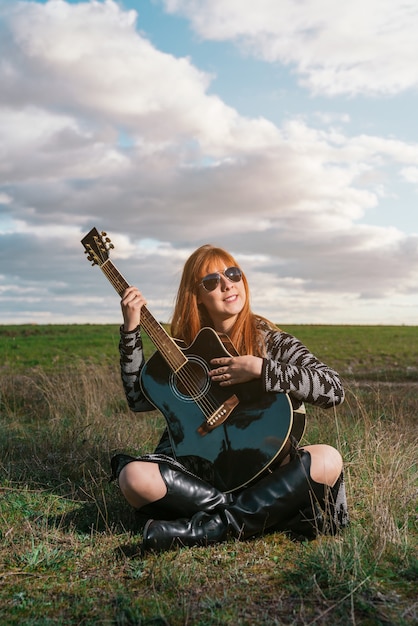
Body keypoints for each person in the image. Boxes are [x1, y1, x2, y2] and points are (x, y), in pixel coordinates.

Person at [111, 244, 349, 552]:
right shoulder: (185, 352)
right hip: (201, 477)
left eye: (233, 273)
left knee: (327, 459)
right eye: (211, 281)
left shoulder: (272, 342)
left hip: (267, 473)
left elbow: (333, 389)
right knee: (133, 477)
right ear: (196, 295)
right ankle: (262, 513)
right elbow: (137, 400)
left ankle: (207, 528)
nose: (227, 284)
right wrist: (131, 330)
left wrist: (260, 368)